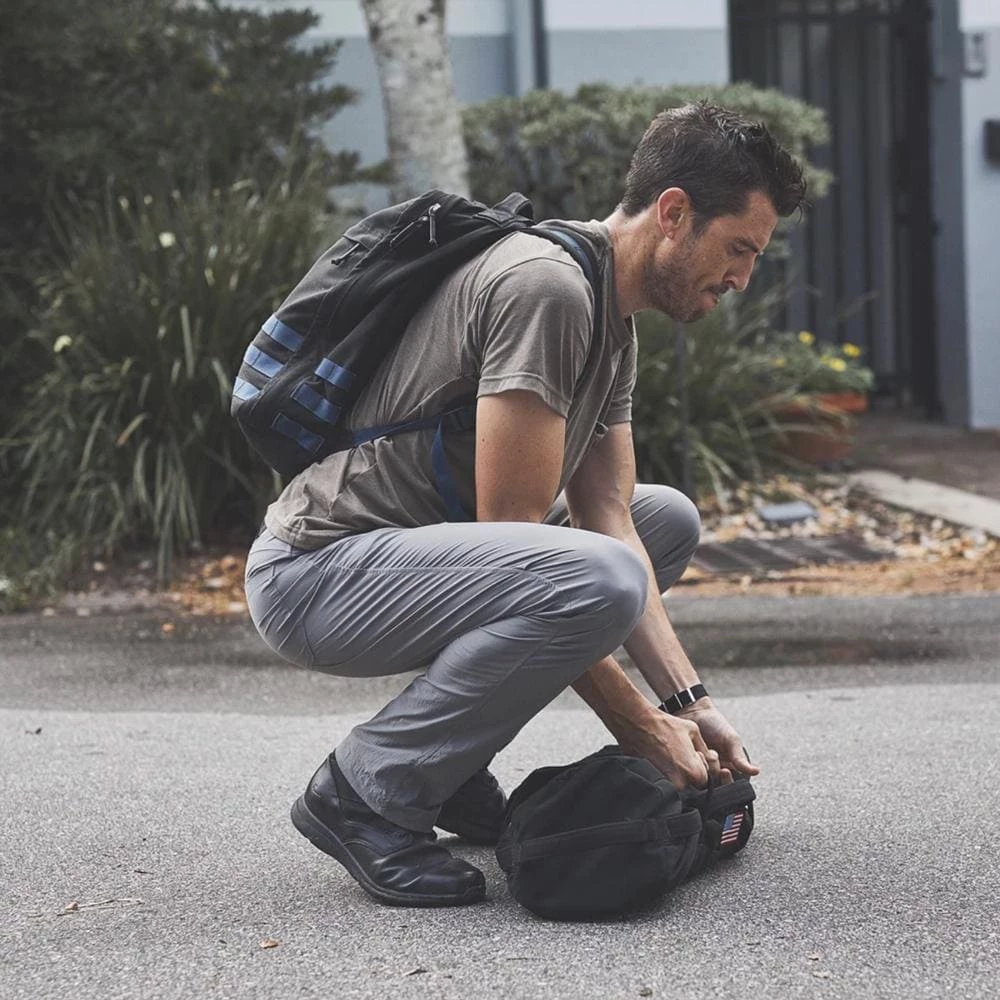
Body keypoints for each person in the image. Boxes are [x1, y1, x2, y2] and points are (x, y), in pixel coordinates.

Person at [245, 102, 807, 908]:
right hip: (318, 575)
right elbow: (517, 543)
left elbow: (608, 511)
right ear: (675, 214)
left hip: (417, 564)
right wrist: (643, 730)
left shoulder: (613, 315)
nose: (743, 278)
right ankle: (363, 793)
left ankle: (445, 760)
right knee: (595, 579)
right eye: (739, 249)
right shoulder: (546, 289)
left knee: (660, 522)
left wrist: (693, 705)